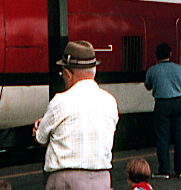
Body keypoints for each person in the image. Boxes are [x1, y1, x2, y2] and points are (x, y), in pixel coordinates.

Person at [34, 41, 119, 189]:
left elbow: (41, 138)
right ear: (94, 71)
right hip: (102, 180)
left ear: (68, 74)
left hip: (66, 181)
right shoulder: (110, 101)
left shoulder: (60, 101)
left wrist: (39, 128)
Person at [145, 43, 181, 178]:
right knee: (180, 139)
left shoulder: (152, 70)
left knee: (162, 139)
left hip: (162, 105)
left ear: (156, 55)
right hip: (178, 103)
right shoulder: (179, 69)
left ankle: (164, 171)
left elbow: (147, 86)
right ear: (170, 54)